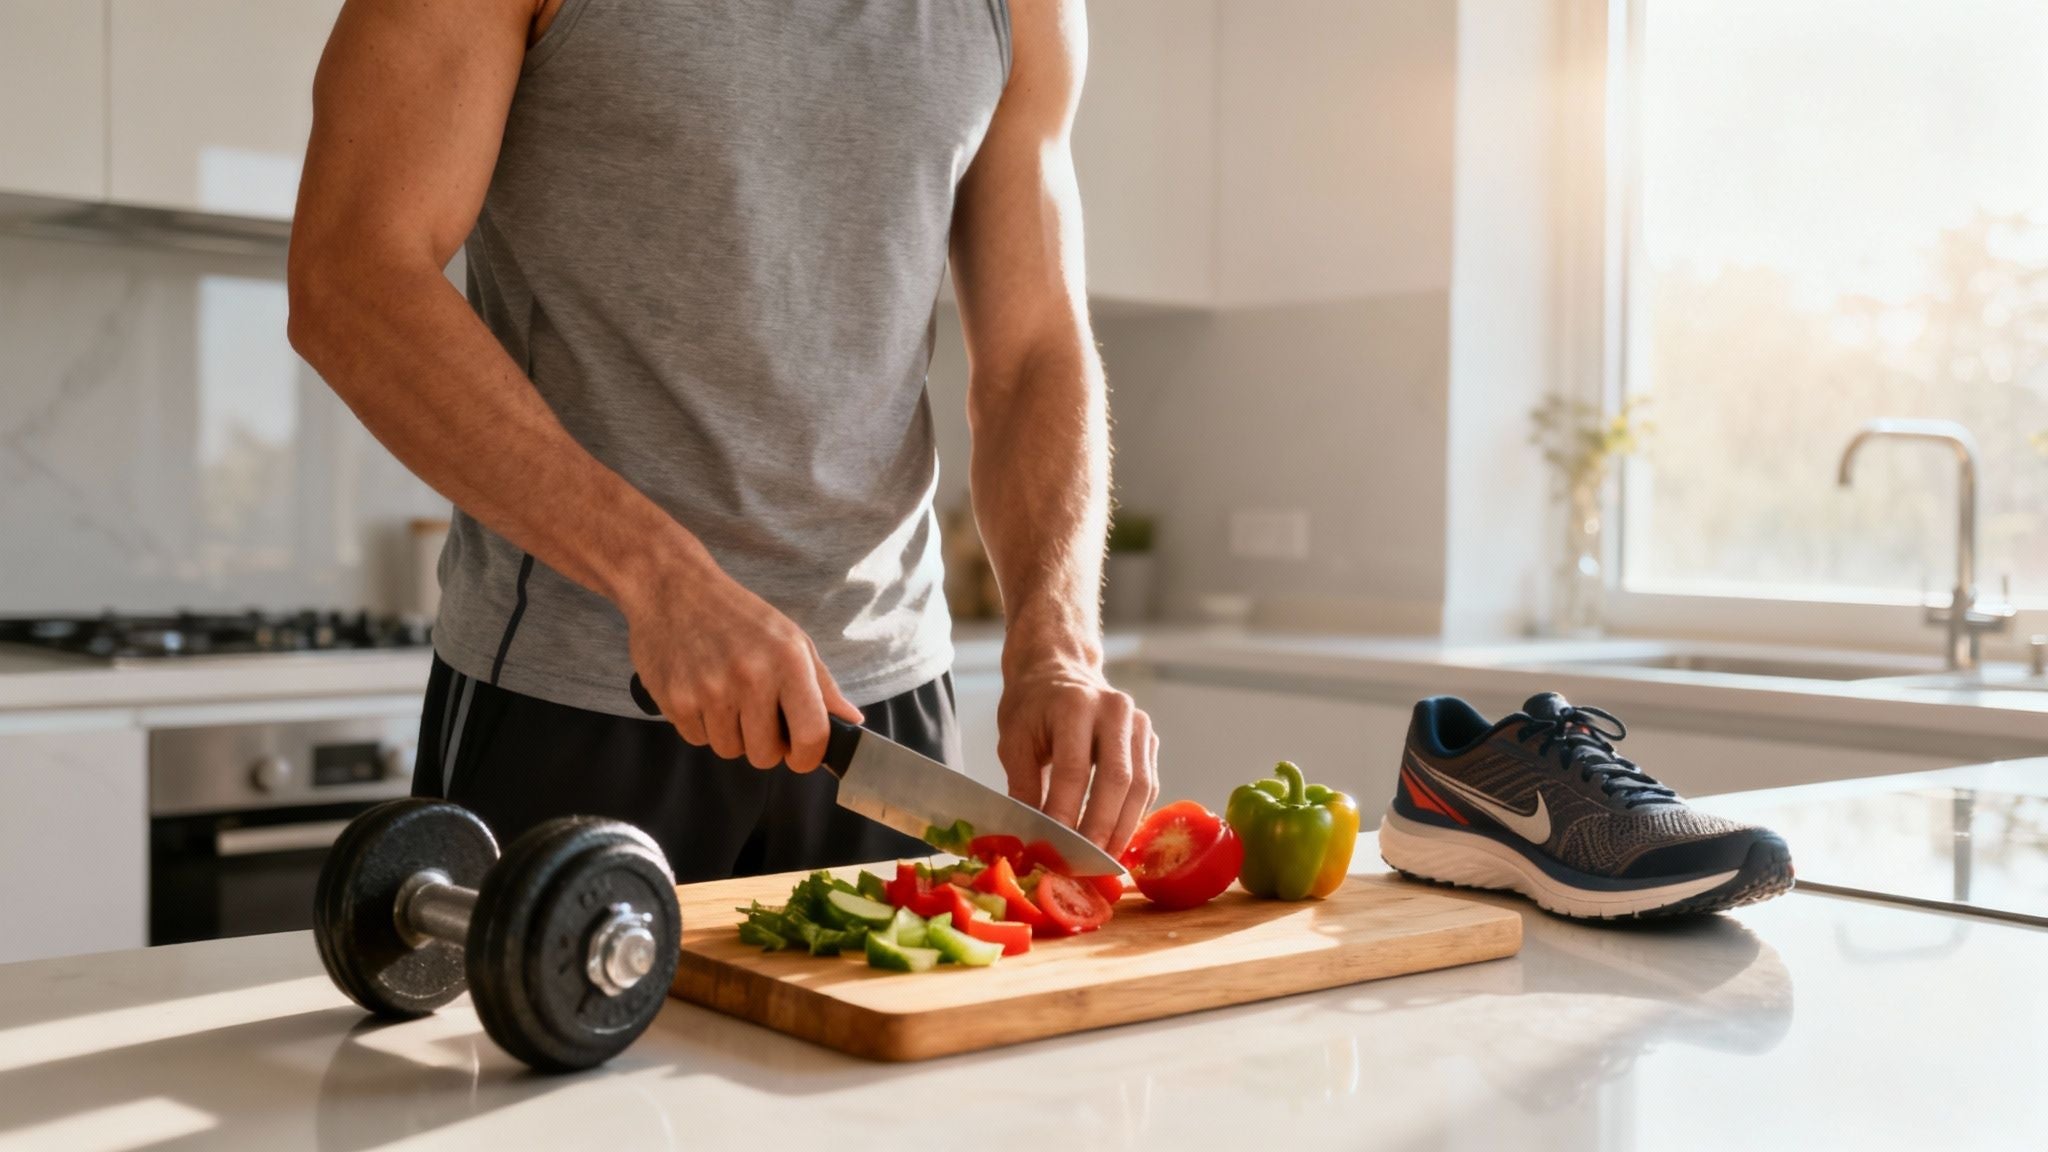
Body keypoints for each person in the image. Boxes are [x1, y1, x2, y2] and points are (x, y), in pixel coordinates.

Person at [286, 0, 1158, 880]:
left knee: (894, 1020)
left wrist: (1058, 645)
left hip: (885, 717)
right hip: (581, 692)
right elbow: (352, 274)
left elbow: (1036, 349)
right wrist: (659, 578)